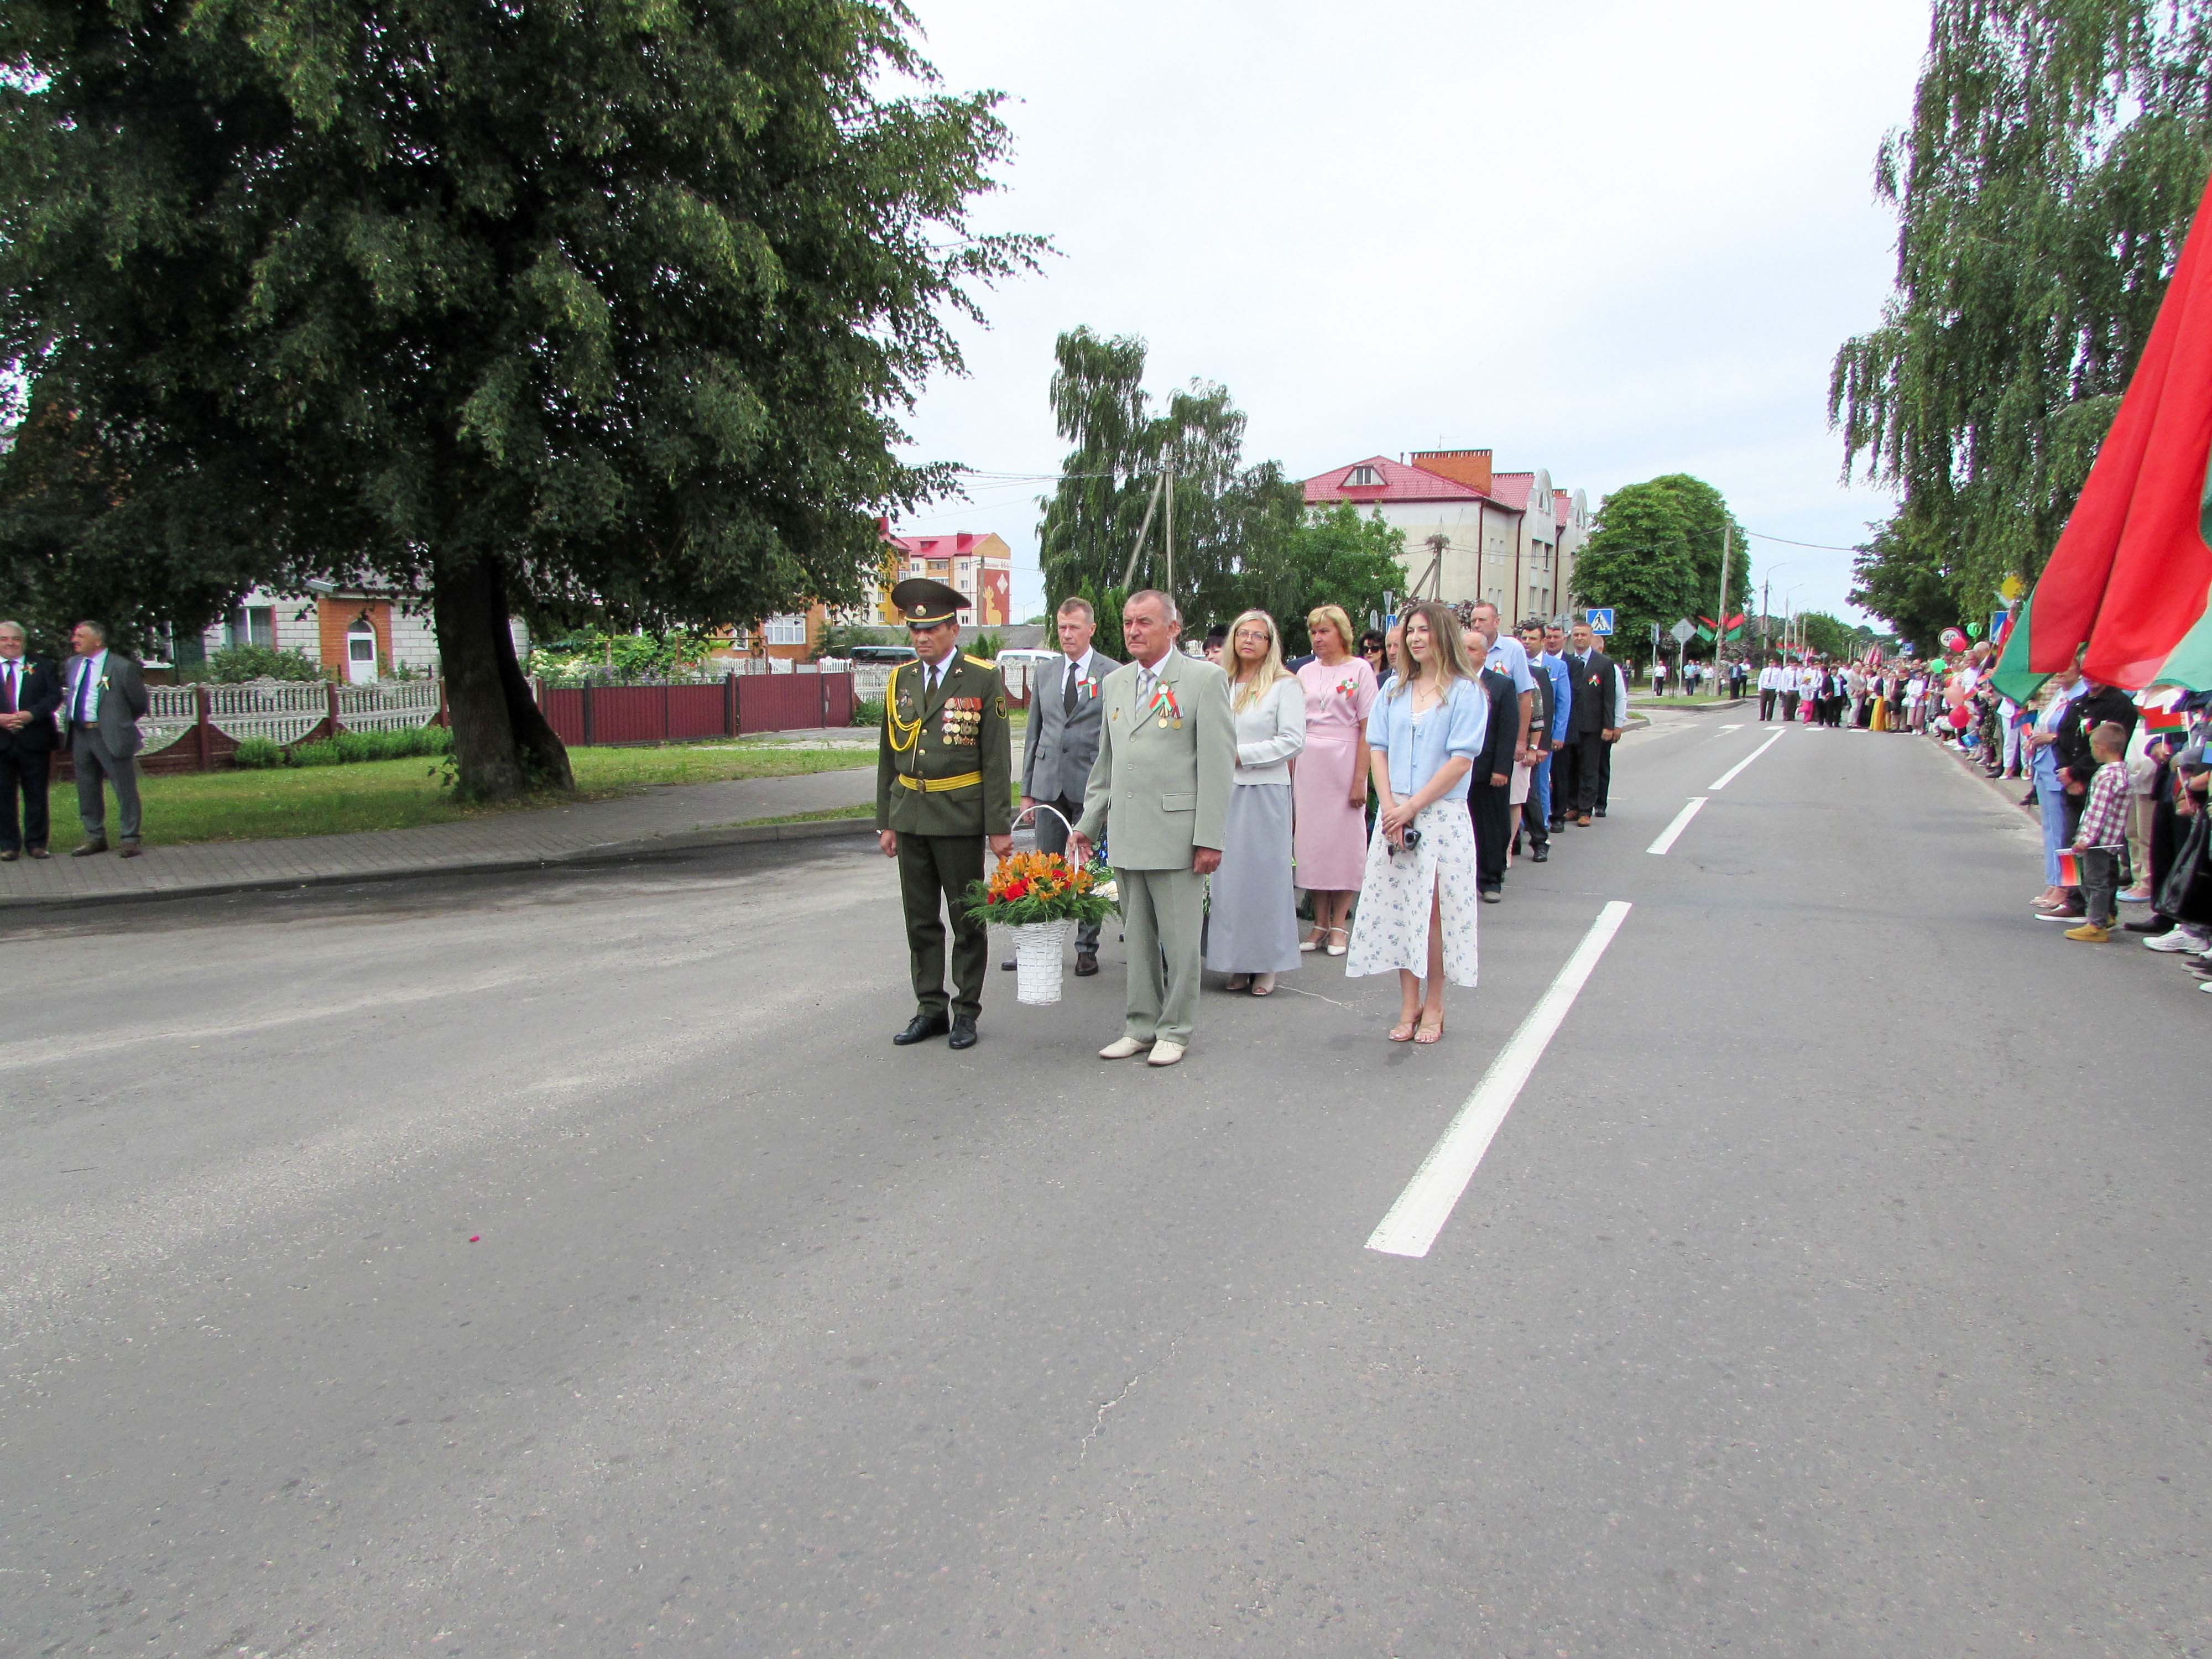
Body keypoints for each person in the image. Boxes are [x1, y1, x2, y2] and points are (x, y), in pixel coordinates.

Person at [1070, 589, 1235, 1068]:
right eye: (1127, 622)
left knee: (1181, 942)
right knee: (1137, 939)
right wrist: (1087, 825)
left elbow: (1217, 765)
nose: (1134, 631)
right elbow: (1107, 764)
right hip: (1126, 832)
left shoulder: (1204, 680)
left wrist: (1210, 838)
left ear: (1173, 628)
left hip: (1177, 834)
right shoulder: (1117, 682)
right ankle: (1140, 1025)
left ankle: (1176, 1029)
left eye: (1144, 622)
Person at [876, 578, 1014, 1051]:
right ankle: (929, 1008)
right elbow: (887, 754)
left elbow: (996, 759)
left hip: (958, 818)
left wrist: (998, 827)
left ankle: (967, 1011)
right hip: (911, 814)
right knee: (920, 921)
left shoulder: (981, 677)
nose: (921, 638)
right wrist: (887, 818)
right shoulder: (900, 680)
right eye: (915, 630)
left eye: (931, 628)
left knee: (966, 919)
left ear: (953, 629)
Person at [1345, 601, 1486, 1044]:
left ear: (1442, 633)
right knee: (1402, 912)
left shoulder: (1466, 692)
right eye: (1410, 631)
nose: (1415, 639)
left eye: (1423, 630)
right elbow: (1379, 750)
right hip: (1395, 816)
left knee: (1435, 917)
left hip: (1440, 815)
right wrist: (1389, 805)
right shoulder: (1393, 690)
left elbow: (1461, 760)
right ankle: (1409, 1003)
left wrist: (1413, 807)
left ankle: (1436, 1004)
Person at [1010, 596, 1119, 977]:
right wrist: (1027, 788)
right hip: (1048, 782)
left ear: (1091, 629)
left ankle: (1086, 947)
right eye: (1061, 628)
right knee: (1046, 867)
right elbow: (1034, 732)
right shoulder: (1046, 672)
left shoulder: (1113, 673)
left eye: (1074, 627)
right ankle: (1041, 940)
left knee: (1086, 869)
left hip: (1092, 784)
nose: (1067, 634)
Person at [1207, 609, 1305, 995]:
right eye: (1242, 633)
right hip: (1223, 789)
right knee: (1228, 880)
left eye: (1257, 635)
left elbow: (1293, 740)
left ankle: (1266, 964)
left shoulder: (1285, 685)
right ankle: (1236, 961)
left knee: (1265, 878)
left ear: (1270, 644)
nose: (1248, 640)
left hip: (1265, 789)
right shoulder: (1220, 682)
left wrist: (1240, 754)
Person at [1293, 604, 1378, 955]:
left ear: (1341, 633)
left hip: (1345, 762)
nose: (1318, 638)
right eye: (1314, 632)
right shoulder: (1303, 672)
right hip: (1308, 763)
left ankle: (1340, 925)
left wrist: (1361, 780)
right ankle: (1319, 924)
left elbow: (1369, 729)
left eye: (1324, 631)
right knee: (1313, 846)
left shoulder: (1360, 670)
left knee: (1342, 846)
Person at [61, 620, 150, 858]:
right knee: (87, 787)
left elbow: (139, 703)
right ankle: (94, 836)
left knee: (123, 787)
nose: (74, 640)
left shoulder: (121, 667)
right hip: (81, 733)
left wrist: (116, 722)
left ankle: (130, 837)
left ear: (97, 640)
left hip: (109, 734)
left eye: (80, 636)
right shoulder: (73, 664)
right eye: (75, 635)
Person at [1462, 619, 1517, 903]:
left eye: (1472, 649)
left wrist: (1501, 768)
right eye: (1463, 649)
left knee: (1492, 826)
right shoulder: (1452, 683)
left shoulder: (1501, 685)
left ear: (1484, 654)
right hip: (1458, 772)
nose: (1467, 654)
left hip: (1489, 770)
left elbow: (1508, 730)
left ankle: (1491, 879)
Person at [2027, 666, 2088, 920]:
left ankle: (2066, 887)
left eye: (2068, 665)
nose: (2061, 671)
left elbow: (2072, 734)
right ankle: (2054, 882)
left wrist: (2049, 738)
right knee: (2051, 830)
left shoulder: (2081, 694)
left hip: (2062, 768)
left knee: (2065, 832)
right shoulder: (2060, 693)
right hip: (2044, 765)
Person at [2065, 722, 2133, 942]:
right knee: (2106, 877)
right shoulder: (2123, 771)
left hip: (2098, 840)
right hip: (2112, 839)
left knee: (2093, 880)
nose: (2092, 752)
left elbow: (2098, 810)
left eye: (2093, 748)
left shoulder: (2106, 775)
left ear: (2101, 747)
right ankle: (2107, 914)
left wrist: (2085, 838)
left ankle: (2096, 924)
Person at [0, 621, 61, 862]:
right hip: (1, 741)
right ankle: (8, 845)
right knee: (3, 796)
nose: (10, 643)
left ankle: (36, 844)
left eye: (15, 639)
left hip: (34, 738)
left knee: (36, 794)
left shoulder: (43, 665)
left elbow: (54, 696)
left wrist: (31, 715)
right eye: (4, 639)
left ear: (24, 642)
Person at [1561, 615, 1620, 826]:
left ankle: (1586, 809)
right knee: (1571, 767)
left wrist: (1609, 725)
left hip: (1593, 726)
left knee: (1589, 768)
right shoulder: (1565, 661)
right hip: (1570, 725)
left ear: (1591, 637)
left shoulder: (1603, 663)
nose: (1579, 638)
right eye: (1575, 635)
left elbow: (1609, 697)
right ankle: (1573, 805)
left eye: (1583, 635)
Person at [1514, 619, 1556, 863]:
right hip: (1504, 746)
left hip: (1528, 745)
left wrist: (1537, 747)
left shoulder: (1537, 675)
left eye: (1532, 639)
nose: (1527, 643)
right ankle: (1513, 841)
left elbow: (1543, 713)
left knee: (1528, 796)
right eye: (1524, 639)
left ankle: (1540, 840)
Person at [1758, 655, 1782, 721]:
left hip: (1773, 688)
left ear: (1775, 664)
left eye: (1773, 663)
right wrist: (1760, 688)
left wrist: (1778, 689)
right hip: (1765, 688)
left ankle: (1769, 717)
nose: (1771, 664)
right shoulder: (1764, 670)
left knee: (1771, 704)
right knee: (1763, 703)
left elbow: (1779, 681)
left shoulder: (1778, 671)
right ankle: (1762, 716)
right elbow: (1761, 680)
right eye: (1770, 663)